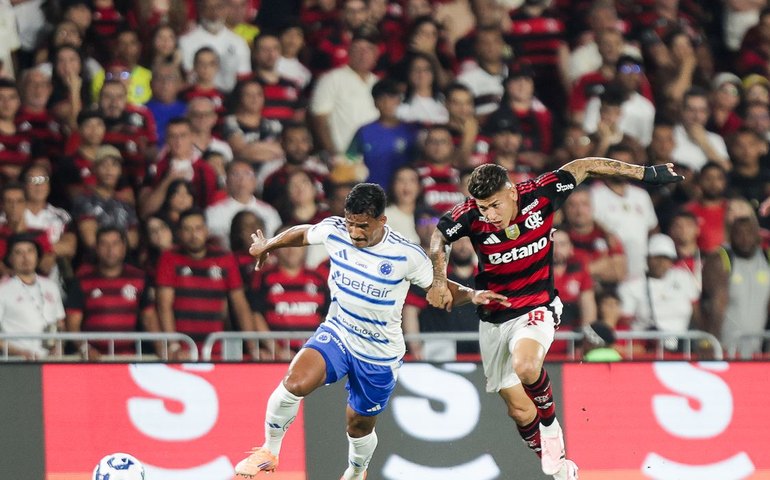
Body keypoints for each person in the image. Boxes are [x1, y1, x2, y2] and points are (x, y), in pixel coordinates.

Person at [428, 158, 683, 479]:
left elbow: (585, 165)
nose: (489, 215)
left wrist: (644, 173)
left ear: (510, 192)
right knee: (519, 411)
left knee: (526, 366)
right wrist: (439, 279)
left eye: (494, 205)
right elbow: (440, 237)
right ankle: (561, 469)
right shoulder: (469, 216)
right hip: (494, 318)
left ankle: (550, 428)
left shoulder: (541, 194)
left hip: (538, 305)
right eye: (482, 207)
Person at [234, 183, 508, 479]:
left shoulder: (406, 255)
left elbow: (441, 288)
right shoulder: (335, 230)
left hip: (379, 355)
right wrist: (270, 244)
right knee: (294, 383)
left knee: (358, 426)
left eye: (363, 226)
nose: (354, 233)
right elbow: (304, 233)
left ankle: (356, 471)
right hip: (338, 333)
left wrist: (474, 294)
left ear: (381, 221)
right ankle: (269, 451)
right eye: (351, 224)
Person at [0, 233, 65, 360]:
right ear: (10, 258)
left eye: (30, 251)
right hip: (17, 362)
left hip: (50, 360)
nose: (25, 257)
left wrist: (59, 345)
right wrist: (20, 353)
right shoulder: (3, 289)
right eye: (19, 253)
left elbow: (60, 323)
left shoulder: (51, 286)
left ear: (37, 255)